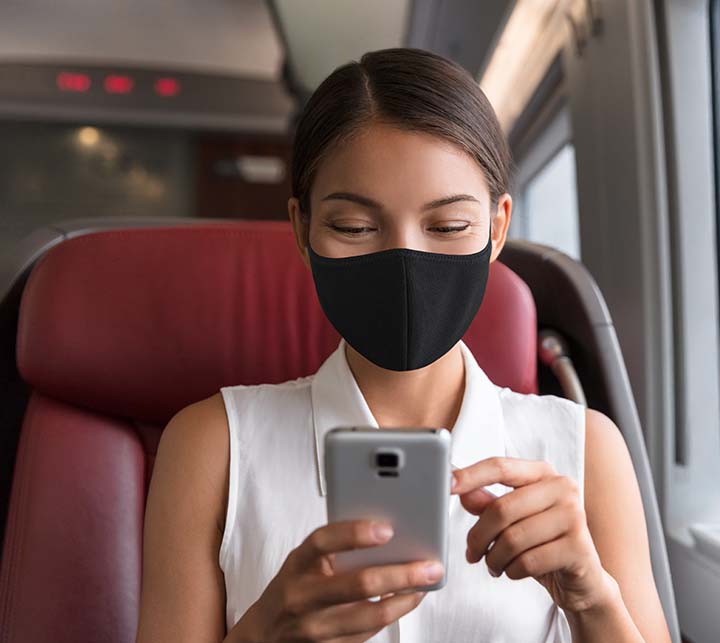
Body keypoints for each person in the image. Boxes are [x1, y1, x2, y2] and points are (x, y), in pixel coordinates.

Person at [136, 48, 671, 643]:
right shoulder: (212, 446)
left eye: (446, 227)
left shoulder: (584, 448)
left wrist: (593, 596)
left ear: (497, 229)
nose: (405, 266)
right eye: (354, 227)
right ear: (301, 229)